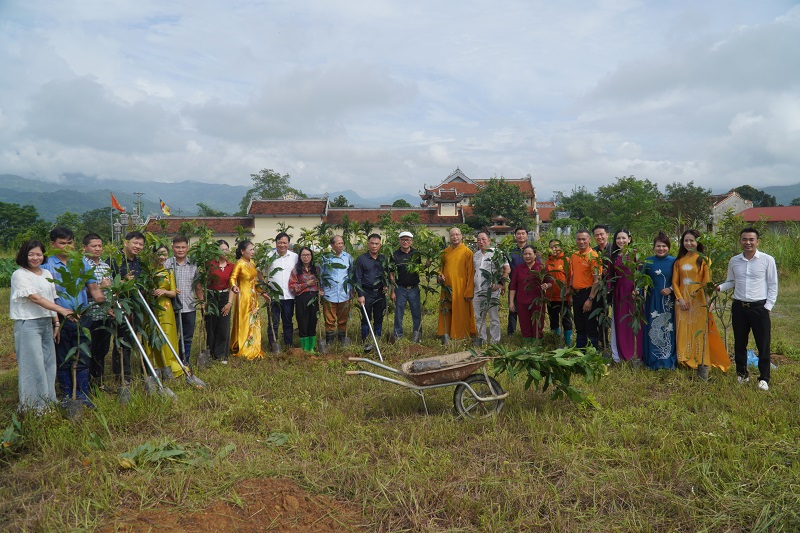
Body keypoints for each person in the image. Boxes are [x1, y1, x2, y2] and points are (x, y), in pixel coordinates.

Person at [10, 240, 75, 412]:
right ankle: (32, 407)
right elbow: (35, 298)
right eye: (31, 254)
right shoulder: (20, 274)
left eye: (38, 254)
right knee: (33, 366)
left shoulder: (46, 272)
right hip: (28, 323)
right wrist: (62, 310)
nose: (35, 257)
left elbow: (50, 297)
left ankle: (48, 402)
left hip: (46, 323)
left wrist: (56, 321)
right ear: (24, 255)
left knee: (48, 364)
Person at [43, 227, 105, 405]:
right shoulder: (46, 266)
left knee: (83, 356)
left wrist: (106, 305)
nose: (66, 246)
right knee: (63, 358)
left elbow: (94, 289)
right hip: (61, 320)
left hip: (83, 317)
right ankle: (67, 395)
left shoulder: (81, 263)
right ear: (53, 244)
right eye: (62, 243)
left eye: (70, 242)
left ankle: (83, 395)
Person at [717, 228, 778, 390]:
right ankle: (742, 374)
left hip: (759, 308)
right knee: (740, 343)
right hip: (739, 308)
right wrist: (720, 287)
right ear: (740, 241)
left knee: (763, 344)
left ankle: (764, 378)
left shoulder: (767, 260)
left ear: (757, 242)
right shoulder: (734, 261)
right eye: (744, 239)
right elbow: (731, 281)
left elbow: (773, 284)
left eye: (751, 239)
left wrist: (768, 307)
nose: (748, 242)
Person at [672, 229, 730, 378]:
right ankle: (683, 359)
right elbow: (675, 282)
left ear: (698, 242)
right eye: (686, 240)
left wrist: (709, 300)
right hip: (682, 301)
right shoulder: (679, 261)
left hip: (699, 300)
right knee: (683, 329)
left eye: (692, 240)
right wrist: (680, 299)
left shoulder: (704, 260)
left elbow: (707, 283)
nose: (689, 243)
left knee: (699, 330)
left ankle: (699, 359)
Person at [109, 231, 145, 386]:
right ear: (125, 242)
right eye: (135, 243)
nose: (137, 246)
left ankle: (128, 371)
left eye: (141, 244)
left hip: (135, 306)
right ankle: (122, 374)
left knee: (131, 338)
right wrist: (123, 281)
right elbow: (107, 284)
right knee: (121, 339)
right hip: (119, 306)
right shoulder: (114, 261)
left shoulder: (139, 263)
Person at [165, 236, 204, 366]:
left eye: (183, 247)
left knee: (187, 337)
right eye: (177, 247)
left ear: (187, 248)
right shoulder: (166, 264)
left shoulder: (193, 264)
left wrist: (202, 302)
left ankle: (185, 361)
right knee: (171, 335)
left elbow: (198, 286)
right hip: (170, 307)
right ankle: (172, 362)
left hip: (189, 307)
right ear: (172, 248)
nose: (180, 250)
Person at [145, 245, 183, 378]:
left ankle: (169, 365)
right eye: (159, 254)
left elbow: (173, 292)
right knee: (152, 335)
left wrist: (164, 291)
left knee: (167, 335)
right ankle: (154, 366)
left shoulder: (169, 272)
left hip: (166, 308)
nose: (162, 257)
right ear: (153, 254)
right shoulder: (148, 271)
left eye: (165, 254)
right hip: (151, 307)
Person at [642, 232, 677, 370]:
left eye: (664, 246)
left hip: (669, 301)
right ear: (654, 247)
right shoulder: (648, 261)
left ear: (668, 247)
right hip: (653, 301)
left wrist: (671, 288)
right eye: (658, 246)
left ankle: (668, 359)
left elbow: (680, 281)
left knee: (669, 328)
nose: (661, 249)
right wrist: (637, 293)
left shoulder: (674, 262)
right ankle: (653, 358)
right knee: (653, 327)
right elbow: (640, 281)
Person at [82, 233, 113, 390]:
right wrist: (100, 287)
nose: (97, 249)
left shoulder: (105, 266)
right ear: (85, 247)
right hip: (89, 315)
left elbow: (110, 291)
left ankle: (99, 382)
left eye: (100, 246)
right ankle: (87, 384)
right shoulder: (81, 266)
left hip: (105, 314)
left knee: (102, 350)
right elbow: (80, 292)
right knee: (89, 350)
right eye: (93, 246)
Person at [608, 229, 643, 363]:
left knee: (634, 320)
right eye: (618, 238)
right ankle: (621, 353)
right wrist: (609, 290)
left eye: (623, 238)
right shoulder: (614, 255)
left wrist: (638, 289)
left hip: (633, 291)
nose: (621, 241)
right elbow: (611, 276)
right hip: (619, 291)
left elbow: (641, 273)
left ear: (629, 239)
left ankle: (635, 352)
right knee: (621, 321)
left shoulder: (635, 254)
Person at [437, 227, 476, 341]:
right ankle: (445, 332)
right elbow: (441, 268)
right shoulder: (445, 252)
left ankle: (460, 334)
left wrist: (469, 290)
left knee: (460, 312)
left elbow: (471, 272)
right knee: (446, 310)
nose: (455, 237)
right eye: (453, 235)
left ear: (461, 236)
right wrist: (440, 275)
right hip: (447, 287)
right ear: (450, 237)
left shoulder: (467, 252)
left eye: (457, 235)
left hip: (461, 287)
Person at [229, 240, 266, 360]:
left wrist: (262, 292)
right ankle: (243, 346)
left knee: (253, 321)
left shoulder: (252, 263)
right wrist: (234, 286)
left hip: (253, 297)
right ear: (242, 251)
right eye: (251, 249)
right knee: (244, 320)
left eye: (253, 249)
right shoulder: (239, 263)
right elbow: (233, 278)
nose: (253, 252)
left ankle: (254, 345)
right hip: (243, 296)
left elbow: (254, 281)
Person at [472, 231, 510, 346]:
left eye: (483, 239)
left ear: (489, 240)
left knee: (493, 317)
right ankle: (481, 339)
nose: (481, 242)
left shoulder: (496, 253)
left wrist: (500, 284)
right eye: (479, 239)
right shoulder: (476, 255)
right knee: (479, 317)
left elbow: (507, 269)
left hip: (492, 291)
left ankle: (495, 340)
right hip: (477, 291)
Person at [509, 245, 551, 344]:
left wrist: (546, 285)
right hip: (522, 301)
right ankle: (527, 346)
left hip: (537, 301)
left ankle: (537, 344)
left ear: (535, 255)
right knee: (524, 323)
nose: (527, 256)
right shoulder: (518, 269)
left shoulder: (541, 267)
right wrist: (511, 302)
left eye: (529, 254)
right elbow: (513, 287)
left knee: (538, 323)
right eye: (525, 254)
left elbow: (550, 282)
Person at [354, 234, 388, 353]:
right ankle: (365, 341)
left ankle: (378, 339)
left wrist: (386, 285)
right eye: (372, 243)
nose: (374, 246)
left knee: (379, 318)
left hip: (380, 294)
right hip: (366, 293)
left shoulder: (383, 259)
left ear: (380, 245)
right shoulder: (361, 259)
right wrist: (360, 294)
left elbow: (386, 275)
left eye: (376, 244)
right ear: (368, 244)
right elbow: (357, 278)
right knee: (366, 318)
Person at [569, 229, 602, 349]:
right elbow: (573, 275)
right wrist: (570, 292)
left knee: (590, 324)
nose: (581, 241)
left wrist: (590, 299)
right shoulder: (574, 255)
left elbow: (597, 280)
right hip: (576, 294)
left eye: (584, 239)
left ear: (589, 240)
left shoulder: (593, 256)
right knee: (579, 324)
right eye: (579, 239)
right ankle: (580, 350)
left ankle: (593, 350)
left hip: (588, 293)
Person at [320, 235, 354, 346]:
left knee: (343, 318)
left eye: (342, 243)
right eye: (338, 243)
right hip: (329, 293)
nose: (341, 245)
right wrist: (320, 288)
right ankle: (329, 341)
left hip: (344, 293)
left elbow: (351, 274)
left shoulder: (348, 257)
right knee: (329, 319)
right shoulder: (325, 258)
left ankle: (342, 339)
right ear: (332, 245)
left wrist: (352, 289)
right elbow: (321, 274)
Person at [266, 232, 298, 349]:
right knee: (273, 322)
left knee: (288, 322)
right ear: (276, 243)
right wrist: (265, 287)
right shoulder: (269, 256)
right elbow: (259, 271)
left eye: (285, 243)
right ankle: (273, 345)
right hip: (273, 296)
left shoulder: (294, 257)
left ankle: (288, 345)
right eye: (280, 243)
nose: (282, 245)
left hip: (289, 296)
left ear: (289, 244)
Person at [390, 231, 422, 343]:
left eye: (407, 240)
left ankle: (417, 334)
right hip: (400, 288)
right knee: (399, 313)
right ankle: (398, 335)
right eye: (403, 239)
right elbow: (392, 273)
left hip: (414, 288)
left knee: (416, 313)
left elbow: (420, 268)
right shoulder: (394, 255)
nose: (405, 242)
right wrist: (393, 291)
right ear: (399, 241)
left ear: (411, 241)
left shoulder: (416, 254)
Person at [205, 240, 234, 363]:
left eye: (226, 249)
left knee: (224, 326)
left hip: (225, 296)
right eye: (221, 249)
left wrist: (229, 303)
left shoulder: (231, 266)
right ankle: (211, 352)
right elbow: (203, 282)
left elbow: (233, 285)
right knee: (211, 325)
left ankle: (221, 354)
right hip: (211, 296)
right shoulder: (209, 264)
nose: (224, 251)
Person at [289, 247, 322, 353]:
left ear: (311, 256)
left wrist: (321, 291)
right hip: (301, 298)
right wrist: (306, 284)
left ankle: (311, 348)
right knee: (303, 322)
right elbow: (292, 287)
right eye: (303, 255)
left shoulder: (316, 269)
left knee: (313, 322)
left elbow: (321, 283)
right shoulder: (296, 270)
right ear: (300, 257)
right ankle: (305, 349)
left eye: (308, 255)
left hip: (314, 298)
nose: (306, 257)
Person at [545, 239, 573, 345]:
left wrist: (570, 294)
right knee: (553, 320)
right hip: (551, 296)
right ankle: (556, 341)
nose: (554, 249)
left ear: (561, 247)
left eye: (556, 246)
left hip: (564, 297)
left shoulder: (566, 260)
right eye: (551, 247)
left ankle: (568, 343)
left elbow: (570, 277)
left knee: (566, 320)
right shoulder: (547, 262)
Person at [593, 224, 613, 351]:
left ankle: (615, 341)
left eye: (602, 234)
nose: (599, 237)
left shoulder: (613, 249)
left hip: (614, 287)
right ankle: (603, 340)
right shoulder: (593, 251)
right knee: (601, 313)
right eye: (596, 235)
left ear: (607, 234)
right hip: (599, 288)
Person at [506, 227, 529, 335]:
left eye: (523, 233)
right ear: (515, 236)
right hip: (514, 285)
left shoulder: (531, 251)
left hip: (529, 285)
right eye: (518, 234)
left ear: (527, 236)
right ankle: (511, 333)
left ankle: (528, 332)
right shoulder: (510, 252)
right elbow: (506, 268)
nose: (521, 236)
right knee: (512, 308)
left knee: (528, 310)